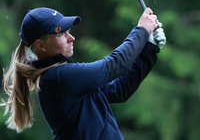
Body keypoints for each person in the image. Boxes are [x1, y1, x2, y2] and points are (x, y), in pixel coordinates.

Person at [1, 7, 166, 140]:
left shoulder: (61, 78)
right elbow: (115, 64)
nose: (71, 37)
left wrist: (150, 47)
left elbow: (119, 90)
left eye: (68, 31)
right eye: (61, 34)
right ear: (41, 45)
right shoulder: (58, 77)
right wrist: (142, 30)